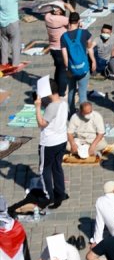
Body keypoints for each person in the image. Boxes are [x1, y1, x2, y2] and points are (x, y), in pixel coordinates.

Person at [35, 78, 68, 209]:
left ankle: (49, 196)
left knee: (44, 169)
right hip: (61, 140)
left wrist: (37, 107)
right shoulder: (63, 102)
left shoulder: (51, 107)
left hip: (49, 143)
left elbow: (42, 123)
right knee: (57, 167)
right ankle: (60, 192)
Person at [61, 11, 95, 115]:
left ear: (69, 21)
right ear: (79, 21)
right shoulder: (84, 33)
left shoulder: (64, 37)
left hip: (71, 69)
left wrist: (68, 69)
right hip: (84, 68)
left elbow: (65, 55)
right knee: (82, 93)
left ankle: (71, 113)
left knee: (71, 91)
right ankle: (83, 115)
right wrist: (93, 61)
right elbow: (89, 46)